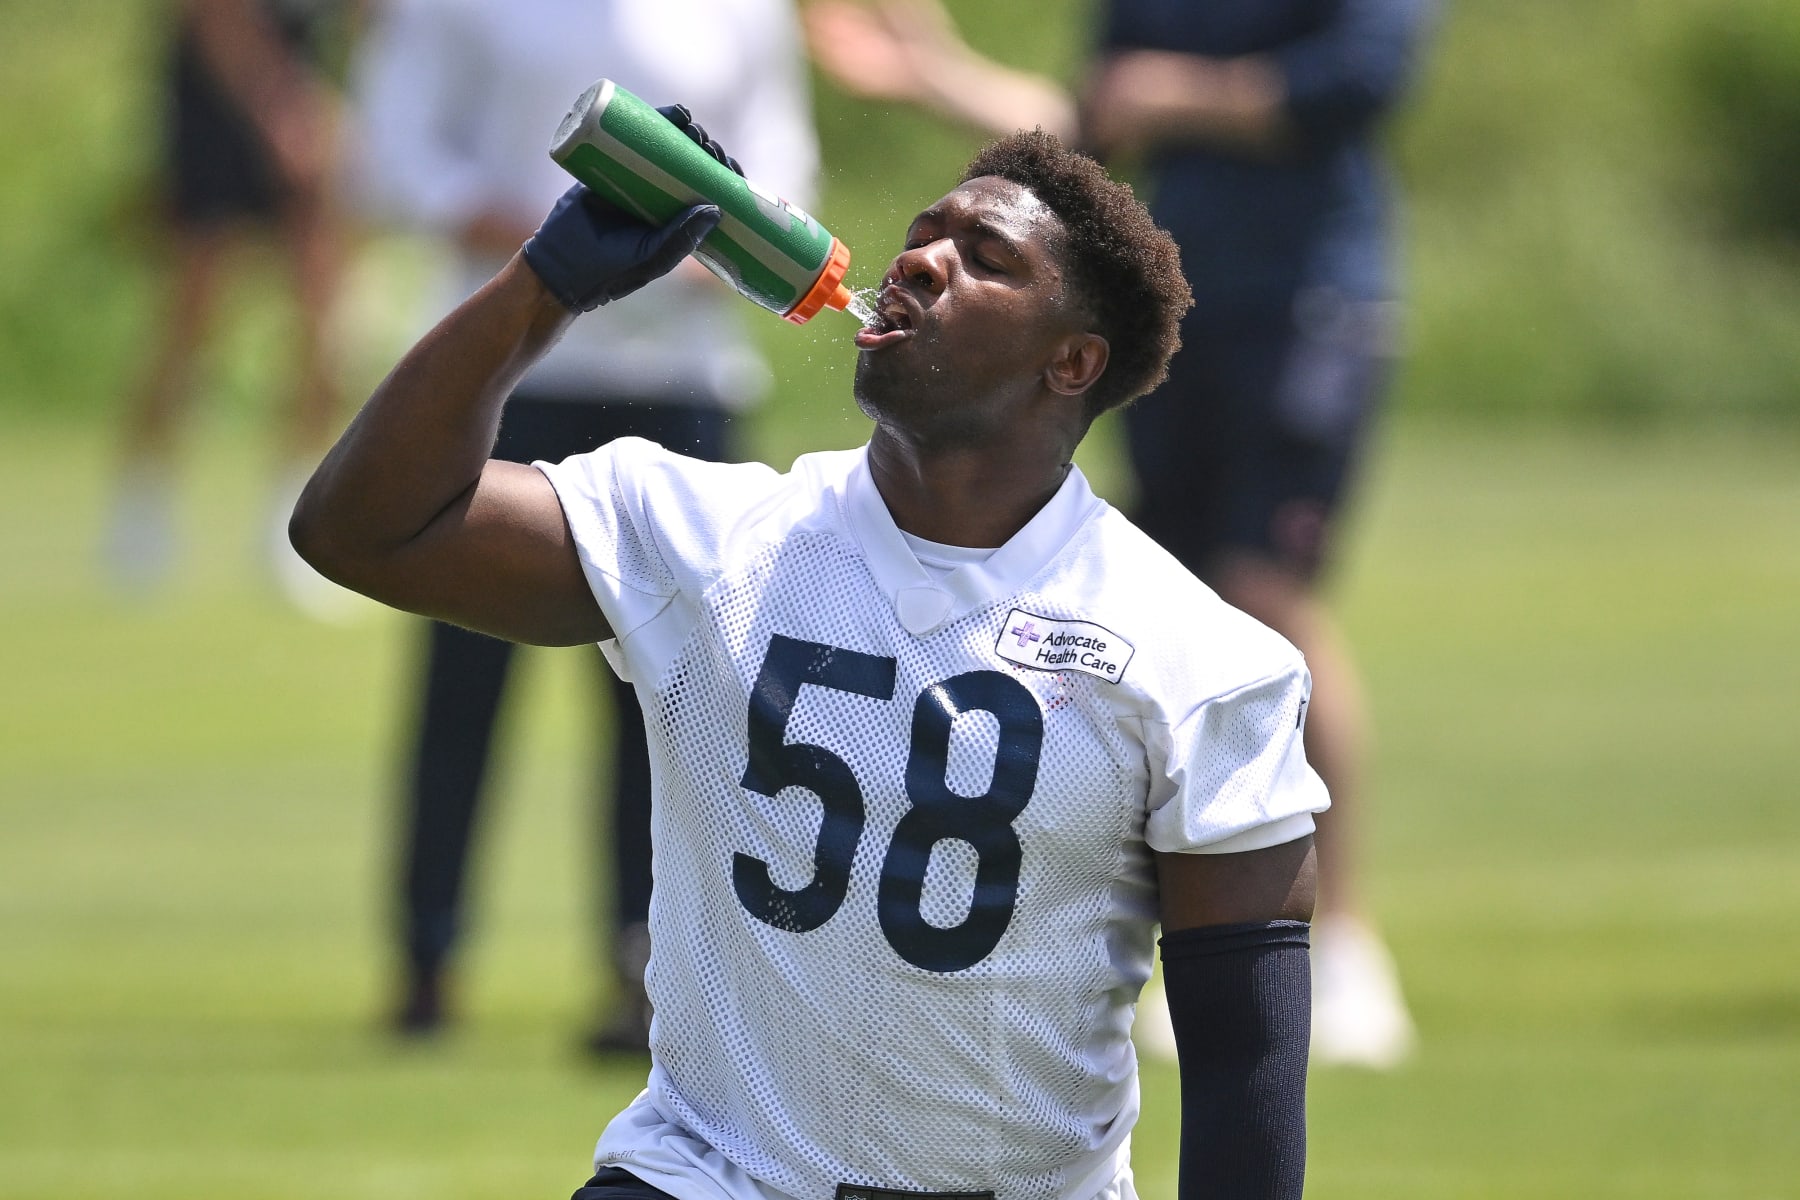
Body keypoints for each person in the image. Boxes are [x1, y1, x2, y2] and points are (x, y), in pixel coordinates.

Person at [293, 117, 1325, 1200]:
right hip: (703, 1176)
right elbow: (359, 528)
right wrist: (542, 288)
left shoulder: (1202, 660)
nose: (923, 259)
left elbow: (1241, 1062)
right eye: (926, 236)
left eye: (987, 259)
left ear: (1071, 362)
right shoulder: (703, 534)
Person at [805, 0, 1433, 1068]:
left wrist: (1185, 91)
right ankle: (1194, 938)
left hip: (1308, 301)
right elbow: (1088, 127)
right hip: (1178, 323)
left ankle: (1344, 938)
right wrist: (934, 73)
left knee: (1267, 596)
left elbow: (1357, 85)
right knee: (1190, 606)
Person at [343, 0, 819, 1049]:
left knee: (671, 698)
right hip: (516, 368)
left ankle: (644, 965)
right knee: (465, 672)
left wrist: (706, 251)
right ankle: (428, 955)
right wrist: (549, 255)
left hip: (679, 377)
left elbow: (782, 161)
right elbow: (394, 150)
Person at [106, 0, 353, 617]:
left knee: (324, 323)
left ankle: (294, 526)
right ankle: (141, 510)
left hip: (303, 102)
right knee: (189, 325)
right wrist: (281, 113)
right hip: (217, 109)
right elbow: (212, 17)